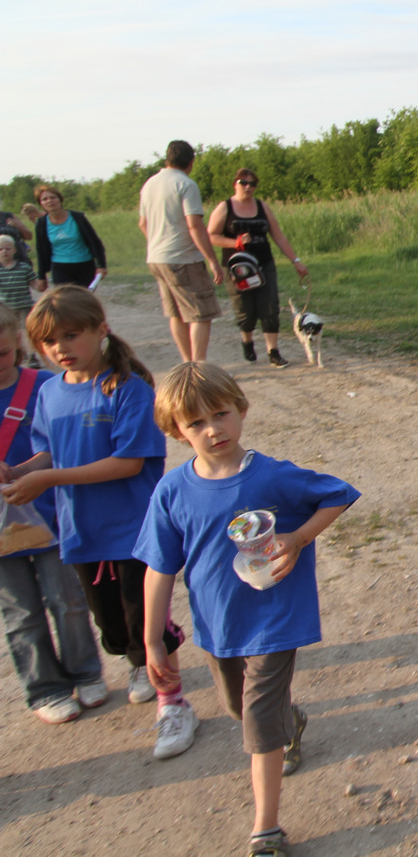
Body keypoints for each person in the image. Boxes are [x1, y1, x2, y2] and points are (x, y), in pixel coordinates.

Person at [138, 362, 359, 857]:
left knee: (256, 721)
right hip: (219, 624)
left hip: (275, 619)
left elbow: (337, 494)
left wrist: (298, 538)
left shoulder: (272, 475)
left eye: (220, 414)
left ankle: (266, 831)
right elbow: (158, 568)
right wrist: (153, 639)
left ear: (241, 409)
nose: (212, 429)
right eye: (196, 422)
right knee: (238, 708)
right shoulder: (172, 491)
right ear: (176, 430)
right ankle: (288, 720)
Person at [0, 285, 197, 759]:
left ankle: (174, 704)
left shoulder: (128, 389)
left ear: (101, 329)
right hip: (81, 532)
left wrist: (47, 478)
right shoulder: (50, 392)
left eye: (71, 335)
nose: (60, 348)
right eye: (49, 341)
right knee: (112, 626)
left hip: (134, 531)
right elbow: (49, 451)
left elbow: (129, 463)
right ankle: (137, 659)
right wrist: (19, 473)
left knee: (147, 622)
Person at [0, 305, 105, 724]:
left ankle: (86, 672)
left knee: (69, 600)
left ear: (17, 342)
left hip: (51, 515)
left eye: (2, 353)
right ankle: (46, 688)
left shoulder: (45, 385)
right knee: (20, 613)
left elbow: (69, 440)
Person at [207, 169, 309, 368]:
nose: (248, 187)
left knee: (269, 306)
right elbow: (211, 235)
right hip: (237, 268)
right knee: (245, 309)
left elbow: (278, 236)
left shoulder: (262, 207)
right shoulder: (225, 207)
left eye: (252, 184)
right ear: (235, 184)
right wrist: (235, 242)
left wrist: (295, 260)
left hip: (263, 264)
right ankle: (247, 341)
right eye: (243, 183)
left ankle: (273, 352)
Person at [139, 139, 225, 362]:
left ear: (167, 159)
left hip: (156, 257)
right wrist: (212, 260)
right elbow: (194, 225)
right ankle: (198, 366)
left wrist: (157, 243)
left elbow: (143, 223)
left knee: (176, 312)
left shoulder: (149, 184)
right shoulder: (185, 184)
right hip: (183, 258)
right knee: (200, 313)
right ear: (191, 161)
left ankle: (188, 363)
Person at [33, 185, 107, 289]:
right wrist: (41, 276)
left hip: (84, 265)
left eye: (53, 197)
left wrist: (101, 265)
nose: (49, 201)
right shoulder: (42, 223)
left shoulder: (78, 218)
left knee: (83, 297)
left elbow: (95, 242)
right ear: (41, 204)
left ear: (60, 199)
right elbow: (41, 250)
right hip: (60, 266)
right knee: (64, 297)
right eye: (45, 199)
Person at [0, 236, 46, 367]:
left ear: (14, 250)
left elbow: (35, 284)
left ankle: (32, 356)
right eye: (1, 249)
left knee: (27, 332)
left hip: (24, 305)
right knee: (8, 333)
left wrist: (41, 285)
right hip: (5, 309)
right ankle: (16, 354)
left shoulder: (24, 268)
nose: (4, 251)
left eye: (8, 249)